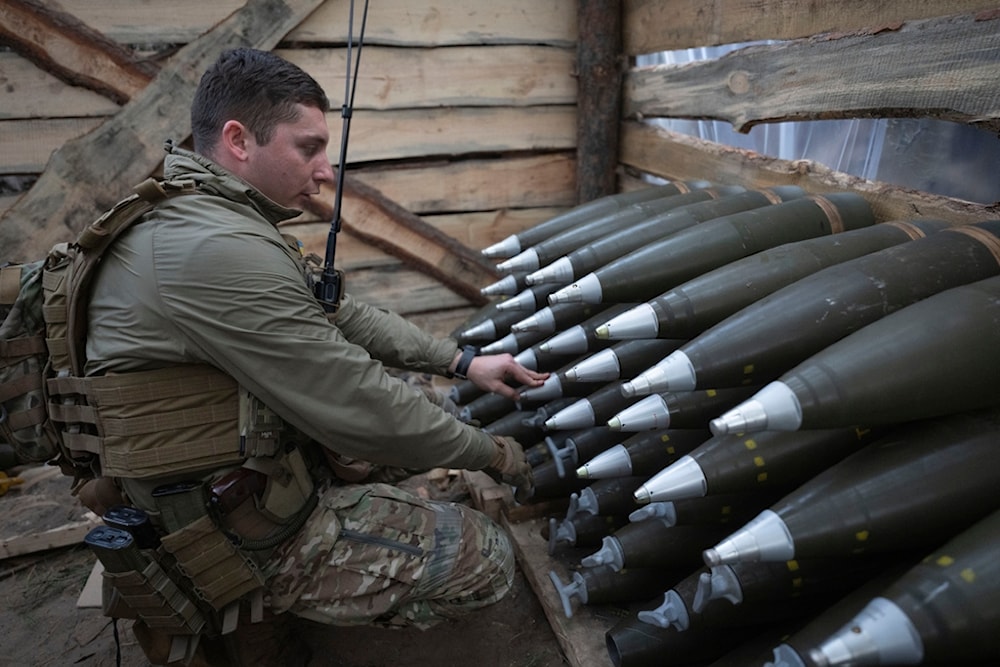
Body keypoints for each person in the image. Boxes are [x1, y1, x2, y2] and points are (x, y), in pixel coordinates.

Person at [77, 47, 547, 664]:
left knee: (421, 419)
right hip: (219, 526)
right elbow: (355, 401)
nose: (326, 171)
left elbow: (338, 314)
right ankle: (275, 614)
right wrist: (498, 456)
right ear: (239, 140)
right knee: (484, 557)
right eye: (308, 147)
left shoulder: (204, 216)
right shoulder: (212, 251)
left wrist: (461, 363)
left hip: (205, 478)